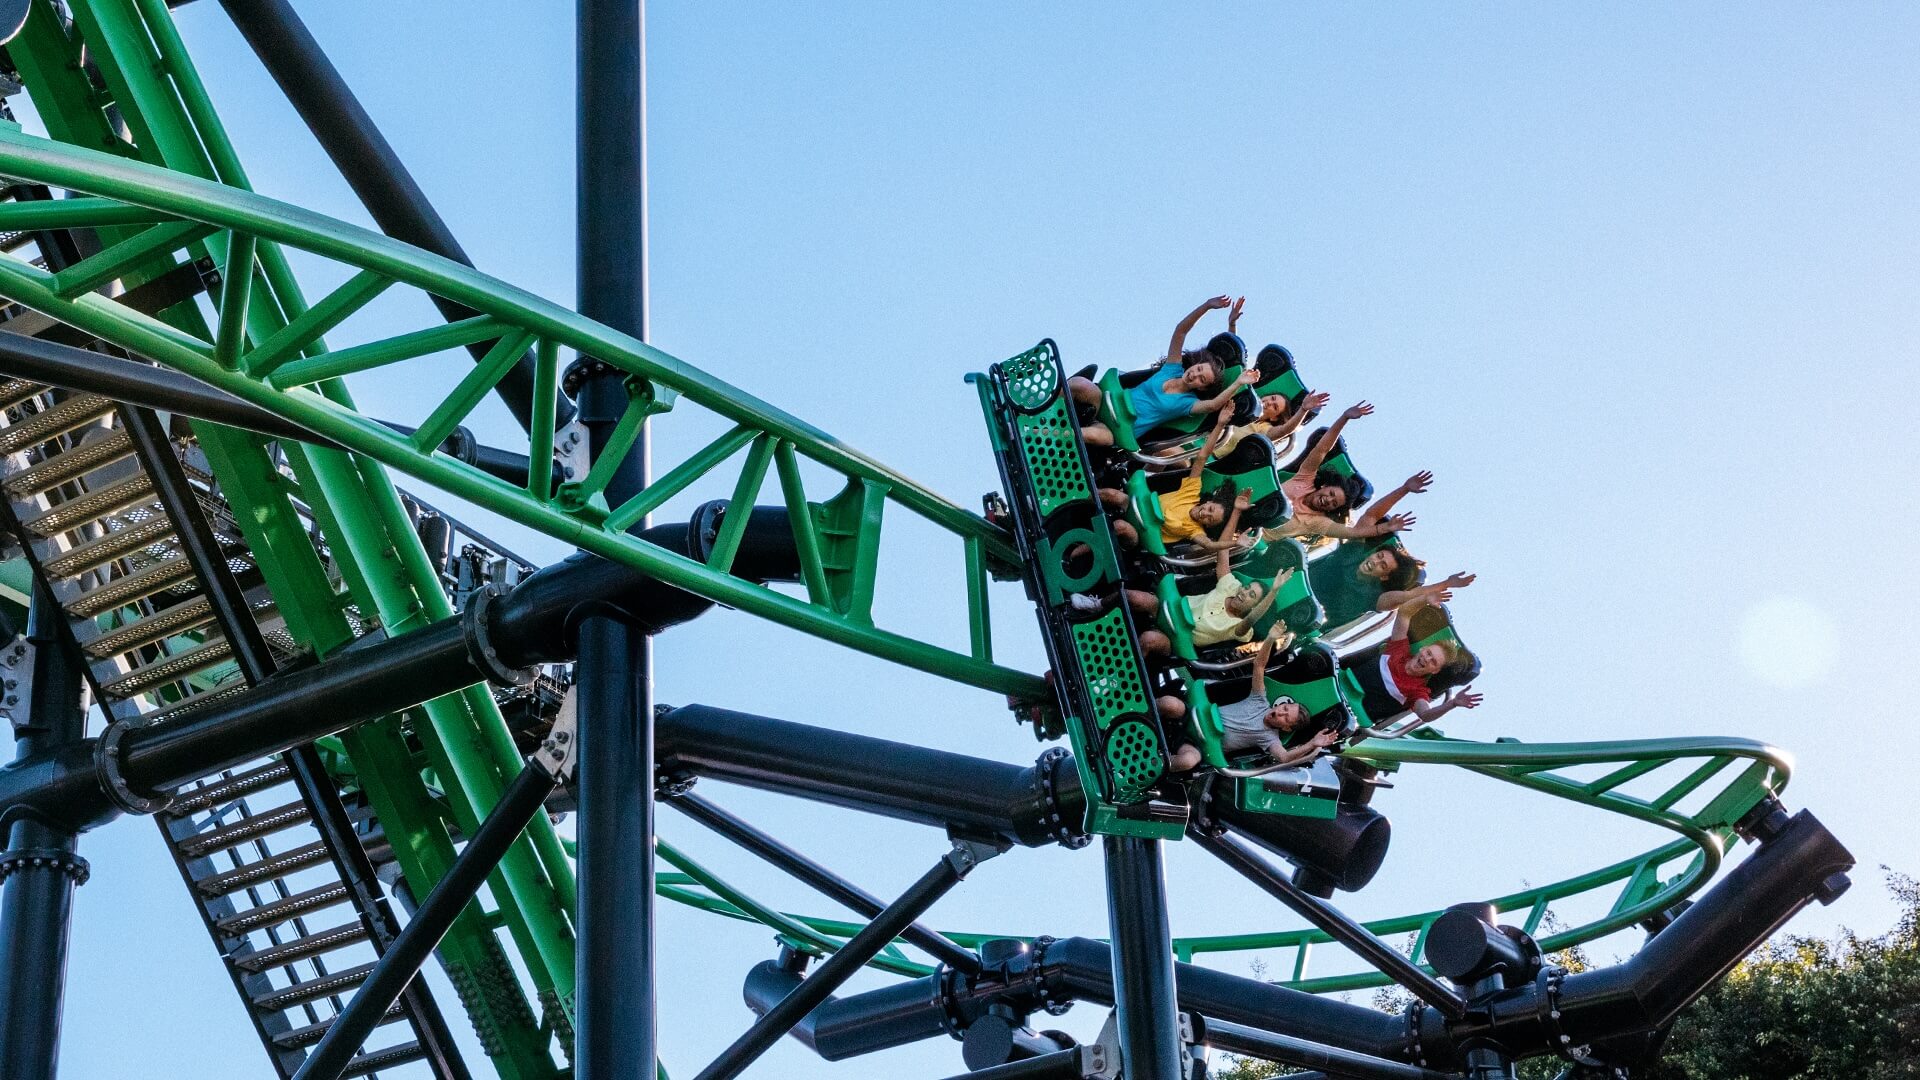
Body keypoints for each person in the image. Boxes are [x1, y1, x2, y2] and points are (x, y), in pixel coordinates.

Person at [1068, 295, 1256, 446]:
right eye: (1198, 369)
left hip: (1116, 430)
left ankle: (1041, 436)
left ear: (1202, 388)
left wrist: (1239, 382)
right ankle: (1044, 407)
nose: (1195, 375)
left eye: (1202, 379)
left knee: (1088, 435)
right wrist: (1206, 306)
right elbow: (1180, 331)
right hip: (1108, 403)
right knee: (1080, 384)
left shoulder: (1187, 403)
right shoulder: (1172, 369)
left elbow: (1214, 405)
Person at [1167, 628, 1340, 771]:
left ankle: (1150, 765)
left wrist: (1312, 744)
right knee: (1171, 705)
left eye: (1286, 717)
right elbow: (1259, 665)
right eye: (1285, 708)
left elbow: (1284, 757)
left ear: (1287, 727)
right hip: (1193, 717)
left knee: (1188, 761)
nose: (1280, 712)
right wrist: (1271, 638)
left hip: (1196, 744)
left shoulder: (1269, 739)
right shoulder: (1259, 700)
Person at [1367, 590, 1484, 728]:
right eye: (1428, 653)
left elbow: (1426, 714)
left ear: (1435, 670)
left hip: (1351, 711)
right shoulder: (1398, 649)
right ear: (1422, 649)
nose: (1427, 659)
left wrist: (1452, 704)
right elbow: (1404, 613)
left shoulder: (1417, 691)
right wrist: (1425, 598)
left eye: (1433, 661)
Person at [1189, 542, 1293, 648]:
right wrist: (1234, 539)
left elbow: (1251, 619)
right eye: (1247, 587)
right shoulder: (1231, 587)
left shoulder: (1238, 627)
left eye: (1251, 595)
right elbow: (1223, 554)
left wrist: (1273, 592)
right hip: (1173, 607)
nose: (1244, 592)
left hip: (1181, 639)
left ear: (1254, 607)